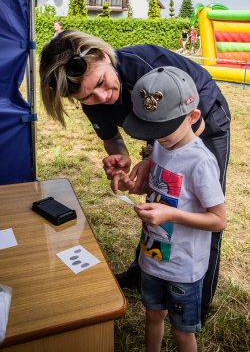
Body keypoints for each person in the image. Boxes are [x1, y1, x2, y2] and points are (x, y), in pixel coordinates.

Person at [39, 29, 231, 325]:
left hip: (202, 121)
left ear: (104, 56)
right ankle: (143, 271)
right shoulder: (93, 96)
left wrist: (151, 159)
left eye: (102, 83)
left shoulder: (144, 71)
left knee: (201, 211)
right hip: (165, 135)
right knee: (158, 200)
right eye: (88, 96)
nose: (102, 97)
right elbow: (113, 139)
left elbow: (188, 129)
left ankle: (195, 306)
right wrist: (122, 161)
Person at [110, 66, 226, 352]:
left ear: (193, 116)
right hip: (152, 258)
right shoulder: (162, 145)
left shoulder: (200, 163)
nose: (158, 136)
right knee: (153, 316)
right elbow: (157, 187)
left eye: (163, 128)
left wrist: (169, 215)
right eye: (152, 130)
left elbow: (218, 220)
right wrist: (129, 185)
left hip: (182, 269)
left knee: (182, 331)